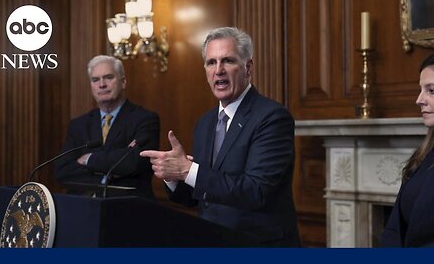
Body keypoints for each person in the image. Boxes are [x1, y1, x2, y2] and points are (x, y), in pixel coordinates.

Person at [140, 27, 300, 246]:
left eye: (228, 61)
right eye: (211, 62)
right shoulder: (205, 123)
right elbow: (201, 195)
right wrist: (173, 176)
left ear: (248, 67)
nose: (219, 70)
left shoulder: (272, 117)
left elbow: (256, 191)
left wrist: (187, 170)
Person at [381, 52, 434, 247]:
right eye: (421, 90)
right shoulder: (423, 156)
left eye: (431, 90)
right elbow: (394, 227)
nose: (419, 100)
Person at [55, 55, 159, 199]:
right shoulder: (79, 124)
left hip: (129, 208)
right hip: (85, 209)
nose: (102, 84)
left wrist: (89, 160)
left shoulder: (145, 119)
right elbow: (63, 171)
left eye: (108, 77)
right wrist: (110, 172)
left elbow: (134, 163)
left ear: (123, 82)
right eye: (95, 80)